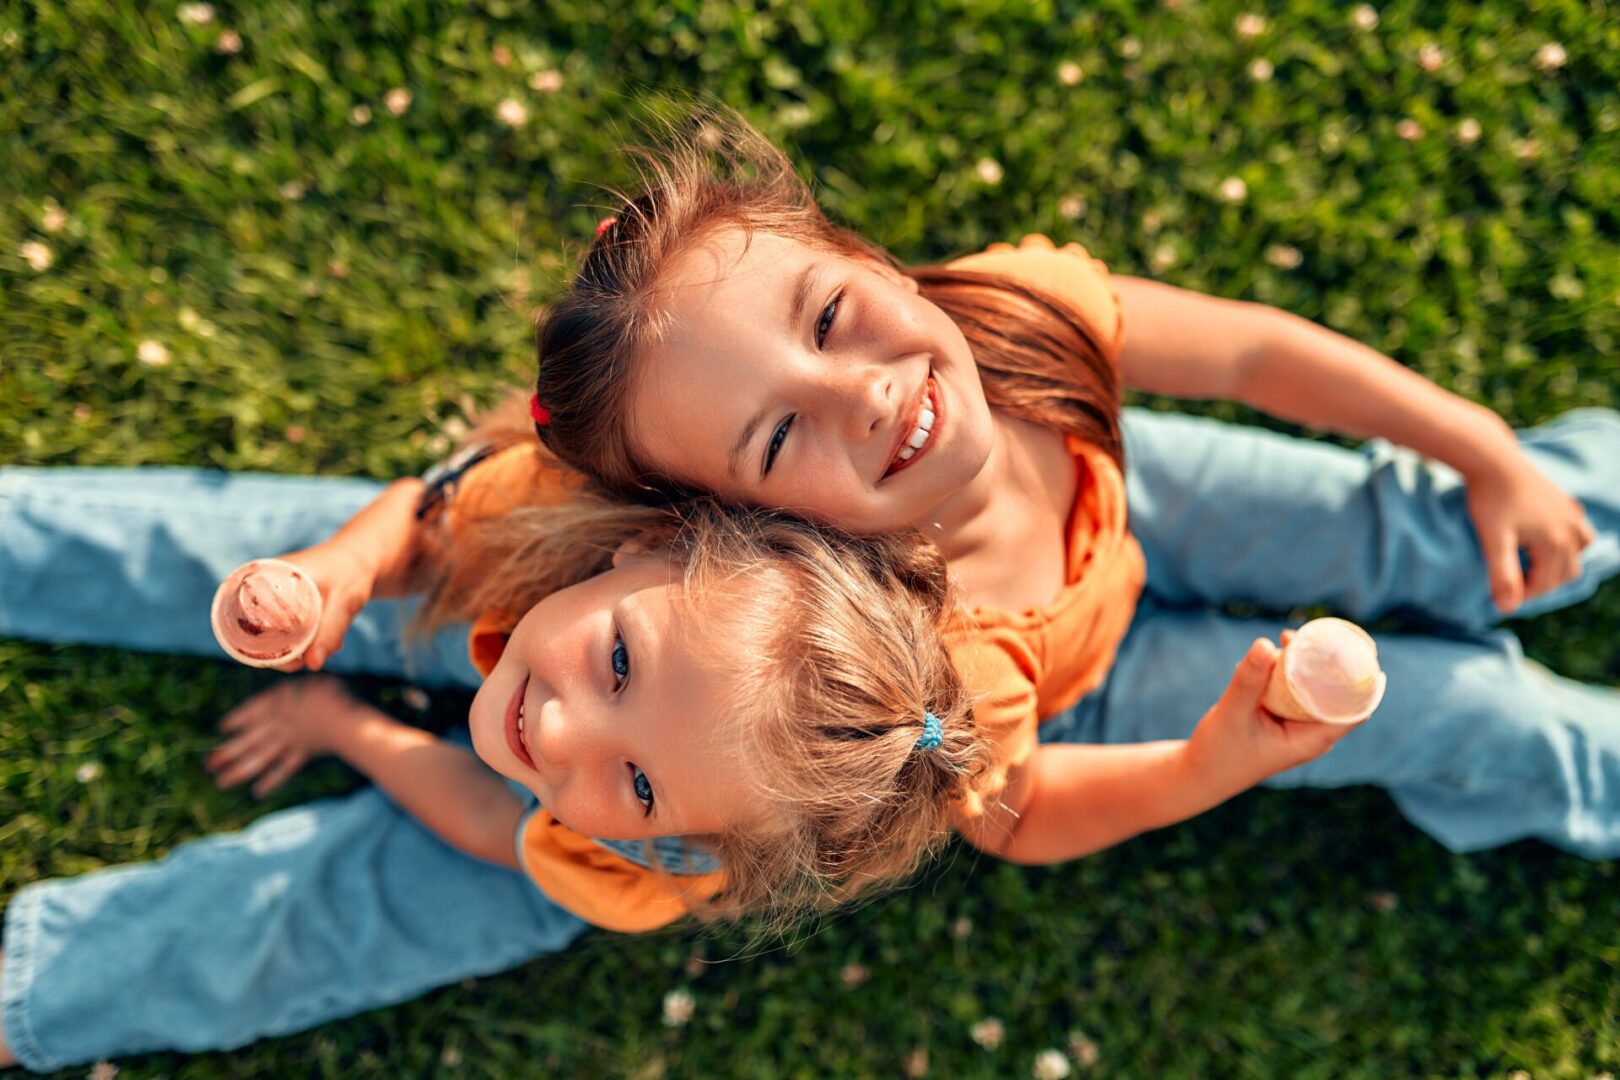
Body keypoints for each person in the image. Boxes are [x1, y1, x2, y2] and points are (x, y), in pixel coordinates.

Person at [524, 107, 1620, 863]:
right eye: (774, 439)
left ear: (869, 258)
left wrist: (1482, 447)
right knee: (1472, 713)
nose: (856, 395)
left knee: (1436, 528)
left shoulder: (1014, 322)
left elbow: (1249, 356)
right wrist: (1207, 765)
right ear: (742, 529)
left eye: (827, 317)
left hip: (1131, 489)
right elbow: (1022, 808)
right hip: (1087, 675)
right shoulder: (935, 664)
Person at [0, 449, 1008, 1070]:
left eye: (642, 781)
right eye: (620, 664)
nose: (562, 739)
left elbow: (491, 822)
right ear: (649, 544)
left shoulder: (672, 860)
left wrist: (348, 728)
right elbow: (411, 522)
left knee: (354, 915)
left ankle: (35, 989)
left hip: (573, 841)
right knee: (246, 558)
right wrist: (331, 577)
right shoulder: (551, 510)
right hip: (519, 582)